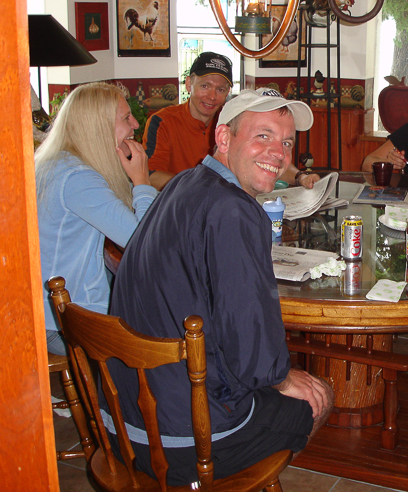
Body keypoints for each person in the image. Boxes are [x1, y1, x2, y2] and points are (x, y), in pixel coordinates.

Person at [107, 88, 334, 486]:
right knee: (320, 395)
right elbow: (255, 355)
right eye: (262, 136)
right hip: (184, 442)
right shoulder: (235, 212)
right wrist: (281, 377)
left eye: (285, 142)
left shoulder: (182, 184)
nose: (277, 153)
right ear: (224, 138)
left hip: (120, 420)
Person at [36, 82, 158, 356]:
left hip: (44, 313)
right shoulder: (77, 178)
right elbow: (143, 243)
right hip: (64, 324)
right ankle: (111, 400)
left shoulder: (58, 163)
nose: (136, 125)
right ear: (99, 126)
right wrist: (141, 179)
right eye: (126, 118)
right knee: (166, 336)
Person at [144, 51, 318, 190]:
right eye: (205, 86)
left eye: (220, 89)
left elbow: (270, 159)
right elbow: (151, 175)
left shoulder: (234, 121)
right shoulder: (162, 121)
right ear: (189, 84)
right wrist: (198, 187)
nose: (212, 96)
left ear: (228, 92)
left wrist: (300, 177)